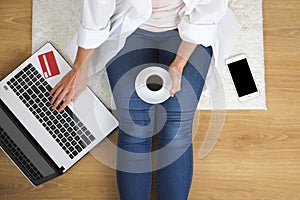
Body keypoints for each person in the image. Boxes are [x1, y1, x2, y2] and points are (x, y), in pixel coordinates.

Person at [50, 0, 239, 199]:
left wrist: (179, 64)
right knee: (134, 128)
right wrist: (80, 67)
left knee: (177, 129)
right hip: (132, 26)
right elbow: (97, 8)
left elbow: (208, 11)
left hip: (187, 27)